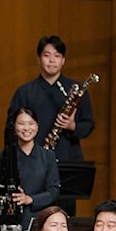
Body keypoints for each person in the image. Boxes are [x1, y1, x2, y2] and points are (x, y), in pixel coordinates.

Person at [9, 35, 95, 163]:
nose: (52, 60)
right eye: (46, 55)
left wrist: (72, 126)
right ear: (38, 59)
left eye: (57, 56)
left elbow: (89, 125)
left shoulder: (77, 90)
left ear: (63, 60)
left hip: (69, 159)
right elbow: (10, 128)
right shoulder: (24, 92)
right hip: (33, 161)